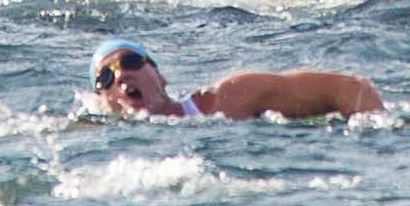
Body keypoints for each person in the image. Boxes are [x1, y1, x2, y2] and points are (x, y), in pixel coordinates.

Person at [85, 41, 379, 123]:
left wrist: (379, 141)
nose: (121, 75)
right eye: (106, 77)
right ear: (101, 102)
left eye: (130, 61)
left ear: (160, 75)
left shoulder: (230, 99)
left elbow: (351, 89)